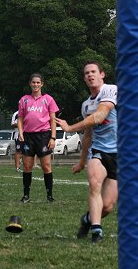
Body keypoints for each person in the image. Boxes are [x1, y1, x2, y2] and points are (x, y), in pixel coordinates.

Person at [56, 61, 118, 244]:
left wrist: (69, 128)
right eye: (86, 73)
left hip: (120, 153)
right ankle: (97, 231)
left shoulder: (111, 90)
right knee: (94, 184)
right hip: (98, 151)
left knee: (107, 206)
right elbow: (88, 136)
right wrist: (83, 161)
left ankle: (87, 220)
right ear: (84, 78)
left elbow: (99, 116)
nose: (90, 75)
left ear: (102, 74)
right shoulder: (86, 105)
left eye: (93, 72)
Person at [18, 73, 59, 203]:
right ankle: (26, 196)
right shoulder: (24, 100)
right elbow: (20, 118)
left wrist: (53, 137)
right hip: (28, 136)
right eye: (33, 82)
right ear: (30, 84)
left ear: (42, 84)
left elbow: (53, 119)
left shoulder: (48, 99)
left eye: (38, 82)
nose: (36, 84)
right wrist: (20, 132)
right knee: (27, 166)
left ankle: (49, 196)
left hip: (44, 135)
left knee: (46, 166)